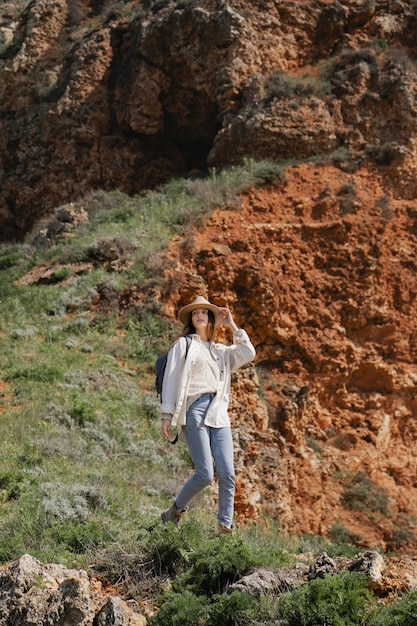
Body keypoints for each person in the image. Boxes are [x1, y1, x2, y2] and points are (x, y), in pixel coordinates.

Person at [160, 295, 256, 534]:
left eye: (204, 312)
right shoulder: (184, 345)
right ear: (191, 320)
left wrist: (232, 324)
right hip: (195, 410)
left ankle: (225, 527)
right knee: (204, 474)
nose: (199, 315)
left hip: (219, 413)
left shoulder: (221, 352)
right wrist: (167, 414)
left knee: (227, 474)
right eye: (195, 313)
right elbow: (171, 379)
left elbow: (248, 352)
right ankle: (173, 512)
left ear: (211, 318)